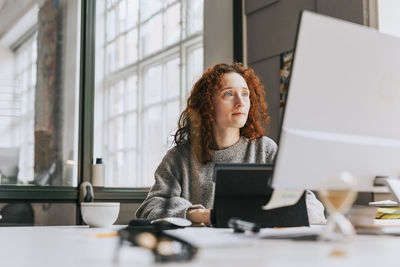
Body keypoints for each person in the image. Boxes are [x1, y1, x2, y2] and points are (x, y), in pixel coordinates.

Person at [136, 62, 325, 225]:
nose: (240, 102)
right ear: (207, 104)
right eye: (228, 94)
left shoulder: (265, 150)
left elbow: (313, 209)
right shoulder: (179, 158)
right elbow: (151, 206)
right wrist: (202, 215)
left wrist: (257, 215)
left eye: (245, 94)